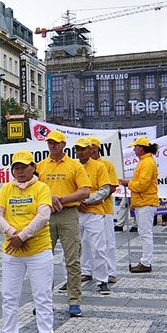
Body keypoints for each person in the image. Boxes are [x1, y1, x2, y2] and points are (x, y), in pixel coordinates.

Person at [0, 150, 56, 333]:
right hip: (12, 250)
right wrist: (12, 234)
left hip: (39, 250)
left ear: (33, 167)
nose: (20, 171)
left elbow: (43, 215)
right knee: (9, 296)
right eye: (16, 167)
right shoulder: (6, 188)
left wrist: (24, 236)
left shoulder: (41, 188)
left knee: (42, 298)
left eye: (24, 167)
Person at [37, 130, 90, 318]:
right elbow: (33, 188)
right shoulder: (41, 166)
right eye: (50, 143)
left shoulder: (75, 166)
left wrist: (62, 199)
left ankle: (74, 300)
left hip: (68, 214)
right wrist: (49, 198)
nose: (52, 146)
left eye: (56, 143)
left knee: (73, 259)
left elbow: (85, 192)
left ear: (63, 145)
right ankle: (43, 300)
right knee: (43, 260)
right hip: (46, 215)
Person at [76, 138, 114, 289]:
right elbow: (68, 189)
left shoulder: (100, 166)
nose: (81, 152)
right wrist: (78, 202)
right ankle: (73, 278)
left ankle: (102, 280)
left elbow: (105, 189)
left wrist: (87, 201)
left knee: (98, 247)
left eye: (84, 149)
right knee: (75, 247)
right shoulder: (74, 166)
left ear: (90, 150)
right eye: (78, 149)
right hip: (77, 212)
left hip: (95, 211)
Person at [119, 138, 160, 273]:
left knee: (145, 233)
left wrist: (127, 183)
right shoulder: (144, 161)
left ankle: (146, 262)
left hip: (146, 202)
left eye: (135, 147)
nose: (133, 149)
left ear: (141, 148)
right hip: (143, 202)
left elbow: (142, 185)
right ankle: (145, 261)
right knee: (144, 233)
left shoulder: (147, 163)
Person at [87, 137, 119, 283]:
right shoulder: (81, 165)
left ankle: (111, 271)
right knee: (85, 242)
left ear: (96, 148)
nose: (89, 149)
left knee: (108, 242)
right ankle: (86, 271)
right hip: (85, 210)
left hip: (104, 208)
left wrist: (97, 198)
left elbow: (112, 186)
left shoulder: (106, 165)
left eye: (92, 146)